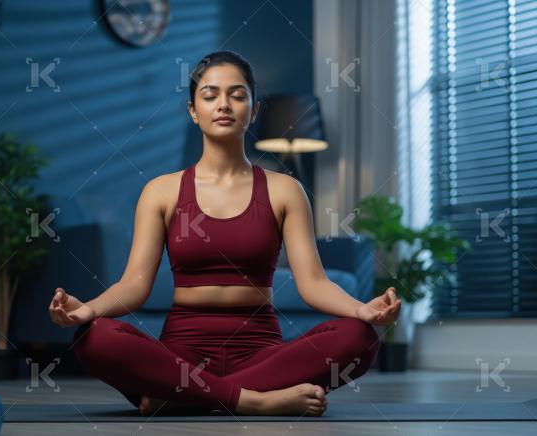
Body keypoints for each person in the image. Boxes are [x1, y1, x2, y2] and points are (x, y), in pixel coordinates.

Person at [48, 50, 401, 417]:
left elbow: (313, 283)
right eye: (210, 95)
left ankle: (183, 397)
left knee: (359, 337)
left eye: (237, 94)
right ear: (192, 110)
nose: (224, 105)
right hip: (180, 355)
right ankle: (254, 400)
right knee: (95, 337)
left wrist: (363, 310)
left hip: (262, 352)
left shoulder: (285, 190)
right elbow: (134, 286)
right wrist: (85, 310)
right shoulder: (161, 191)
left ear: (255, 109)